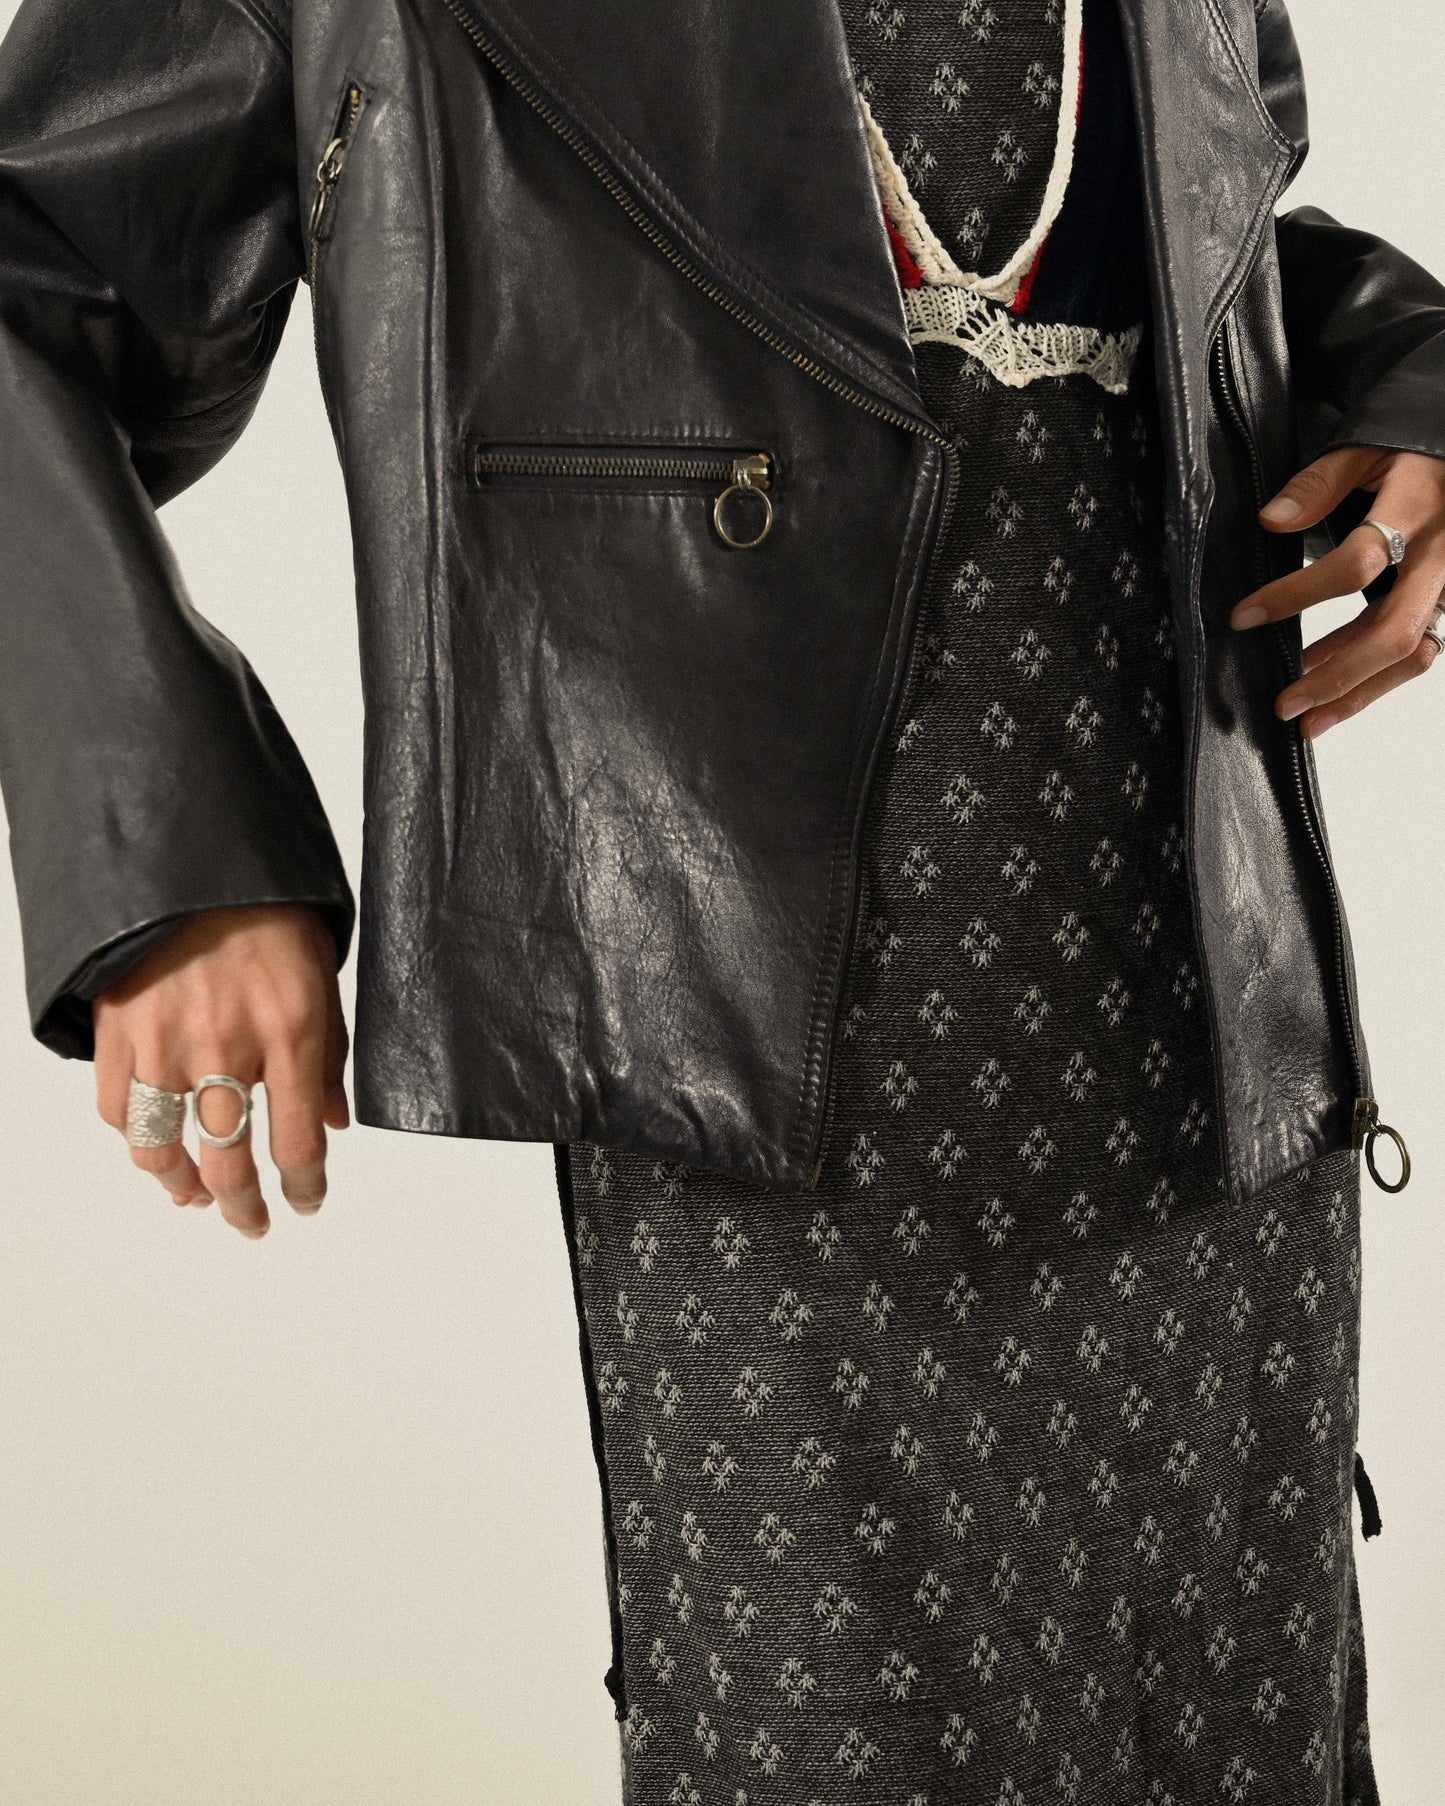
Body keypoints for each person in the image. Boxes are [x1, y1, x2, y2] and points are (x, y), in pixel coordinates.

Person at [0, 0, 1441, 1799]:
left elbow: (1099, 231)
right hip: (747, 1054)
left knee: (1240, 1733)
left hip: (1201, 1030)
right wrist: (167, 832)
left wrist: (1402, 370)